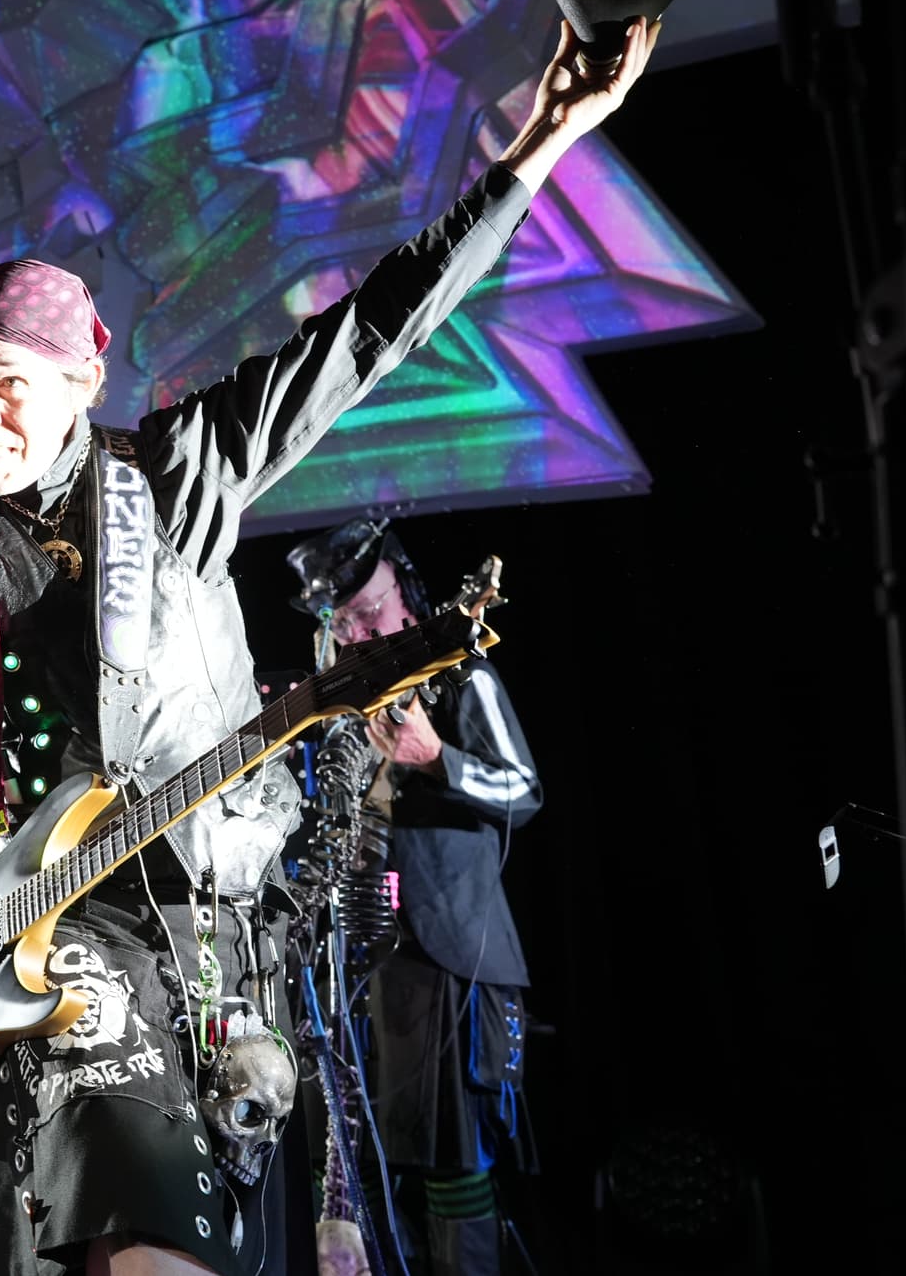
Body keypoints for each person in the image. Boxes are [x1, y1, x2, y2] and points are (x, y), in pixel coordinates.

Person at [0, 17, 658, 1276]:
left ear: (84, 378)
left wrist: (535, 145)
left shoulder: (173, 475)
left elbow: (365, 335)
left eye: (4, 386)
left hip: (170, 937)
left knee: (141, 1240)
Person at [285, 519, 543, 1276]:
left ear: (405, 594)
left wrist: (437, 760)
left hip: (454, 958)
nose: (367, 627)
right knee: (362, 1177)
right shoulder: (335, 710)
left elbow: (525, 789)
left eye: (376, 607)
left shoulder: (464, 674)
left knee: (455, 1167)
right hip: (366, 964)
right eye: (349, 619)